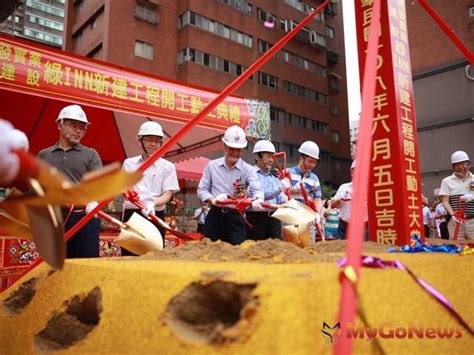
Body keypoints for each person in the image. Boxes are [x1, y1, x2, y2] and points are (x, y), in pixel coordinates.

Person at [38, 104, 103, 258]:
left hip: (84, 218)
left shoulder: (90, 154)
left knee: (86, 265)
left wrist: (94, 200)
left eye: (82, 128)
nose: (79, 131)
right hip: (54, 220)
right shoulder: (44, 155)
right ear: (60, 125)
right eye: (74, 126)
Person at [197, 125, 264, 245]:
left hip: (235, 217)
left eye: (238, 150)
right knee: (210, 251)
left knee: (237, 252)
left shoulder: (248, 170)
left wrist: (258, 200)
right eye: (231, 148)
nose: (235, 153)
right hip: (215, 216)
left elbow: (256, 189)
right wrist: (214, 200)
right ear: (224, 146)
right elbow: (202, 190)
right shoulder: (212, 166)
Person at [122, 121, 180, 255]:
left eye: (157, 141)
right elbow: (123, 188)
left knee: (153, 255)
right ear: (140, 140)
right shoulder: (129, 163)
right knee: (128, 255)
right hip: (133, 214)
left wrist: (152, 203)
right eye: (148, 140)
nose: (153, 144)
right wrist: (128, 194)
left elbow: (167, 194)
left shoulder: (167, 167)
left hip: (154, 214)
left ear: (161, 143)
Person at [282, 141, 322, 243]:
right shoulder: (287, 173)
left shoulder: (314, 178)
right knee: (290, 249)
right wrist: (293, 190)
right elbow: (281, 195)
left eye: (314, 162)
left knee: (309, 249)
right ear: (301, 158)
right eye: (310, 161)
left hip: (308, 219)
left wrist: (317, 213)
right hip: (290, 218)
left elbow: (317, 198)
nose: (312, 165)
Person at [246, 140, 287, 240]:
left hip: (274, 217)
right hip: (256, 217)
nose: (272, 160)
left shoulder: (274, 177)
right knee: (256, 249)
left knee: (276, 249)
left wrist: (286, 197)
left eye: (272, 156)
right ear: (258, 156)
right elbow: (260, 194)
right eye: (268, 156)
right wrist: (279, 189)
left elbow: (281, 199)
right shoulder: (250, 174)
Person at [439, 151, 474, 240]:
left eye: (463, 164)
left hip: (472, 220)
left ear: (468, 165)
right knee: (456, 247)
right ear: (453, 167)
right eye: (457, 165)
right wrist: (453, 215)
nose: (461, 167)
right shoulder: (446, 181)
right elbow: (445, 201)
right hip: (455, 222)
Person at [331, 161, 369, 240]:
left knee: (364, 250)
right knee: (340, 251)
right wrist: (341, 199)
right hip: (344, 227)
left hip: (362, 227)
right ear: (352, 172)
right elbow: (332, 205)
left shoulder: (369, 189)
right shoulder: (344, 187)